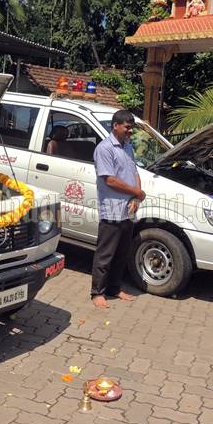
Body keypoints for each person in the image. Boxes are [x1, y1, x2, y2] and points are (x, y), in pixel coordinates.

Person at [90, 110, 144, 309]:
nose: (130, 131)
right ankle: (98, 292)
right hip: (112, 209)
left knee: (122, 253)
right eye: (127, 127)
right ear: (115, 126)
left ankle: (114, 288)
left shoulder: (128, 147)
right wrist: (136, 192)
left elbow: (134, 172)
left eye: (132, 127)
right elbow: (109, 179)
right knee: (106, 254)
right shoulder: (105, 148)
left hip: (128, 210)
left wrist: (136, 195)